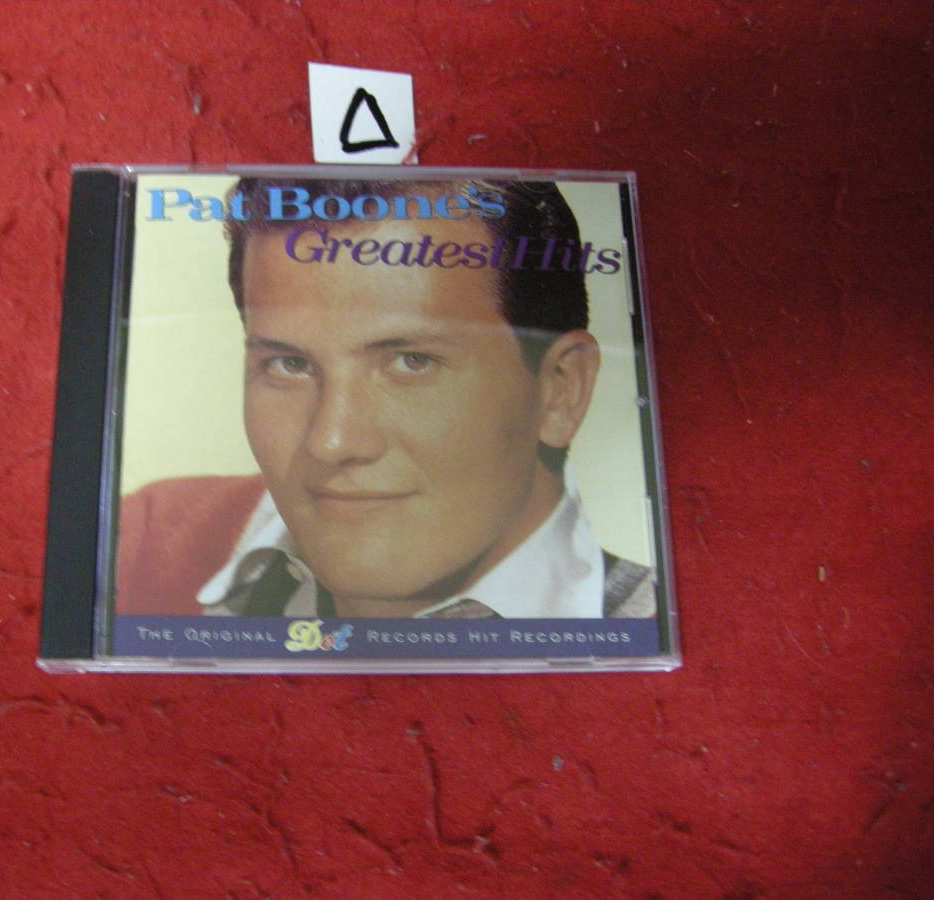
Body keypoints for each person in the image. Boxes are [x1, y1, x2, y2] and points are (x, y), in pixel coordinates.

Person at [115, 177, 654, 620]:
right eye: (290, 365)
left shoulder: (667, 627)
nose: (331, 442)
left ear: (561, 389)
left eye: (411, 362)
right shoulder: (143, 546)